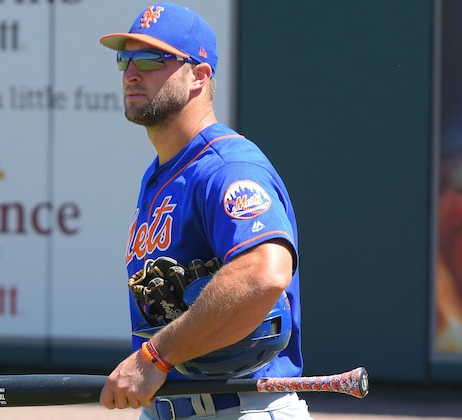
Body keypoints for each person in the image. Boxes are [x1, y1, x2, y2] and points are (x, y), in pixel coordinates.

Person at [98, 3, 312, 419]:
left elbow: (264, 272)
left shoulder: (227, 167)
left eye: (150, 59)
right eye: (125, 59)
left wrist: (155, 358)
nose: (130, 73)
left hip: (241, 407)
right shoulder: (161, 174)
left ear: (199, 75)